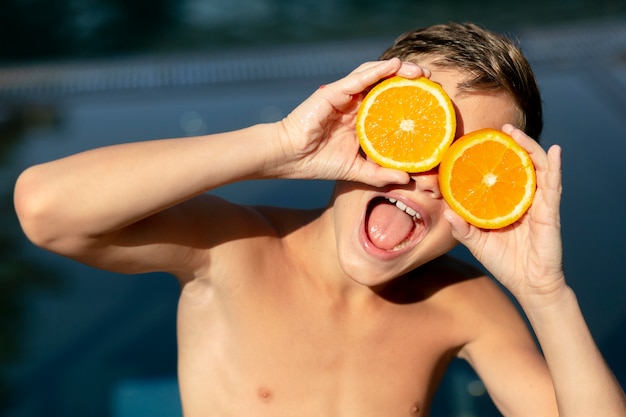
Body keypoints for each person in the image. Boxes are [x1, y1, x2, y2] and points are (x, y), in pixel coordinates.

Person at [13, 22, 625, 417]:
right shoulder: (235, 248)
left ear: (489, 198)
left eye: (468, 168)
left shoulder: (464, 305)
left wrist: (546, 296)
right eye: (412, 140)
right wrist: (279, 145)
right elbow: (46, 211)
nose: (425, 179)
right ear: (360, 130)